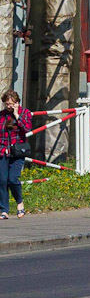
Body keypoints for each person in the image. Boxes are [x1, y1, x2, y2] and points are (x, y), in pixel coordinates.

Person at [0, 90, 32, 219]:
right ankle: (4, 210)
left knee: (13, 180)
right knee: (2, 181)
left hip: (18, 152)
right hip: (2, 151)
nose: (9, 106)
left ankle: (19, 202)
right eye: (7, 104)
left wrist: (16, 114)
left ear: (17, 103)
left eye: (11, 104)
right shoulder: (1, 115)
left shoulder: (25, 113)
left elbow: (27, 128)